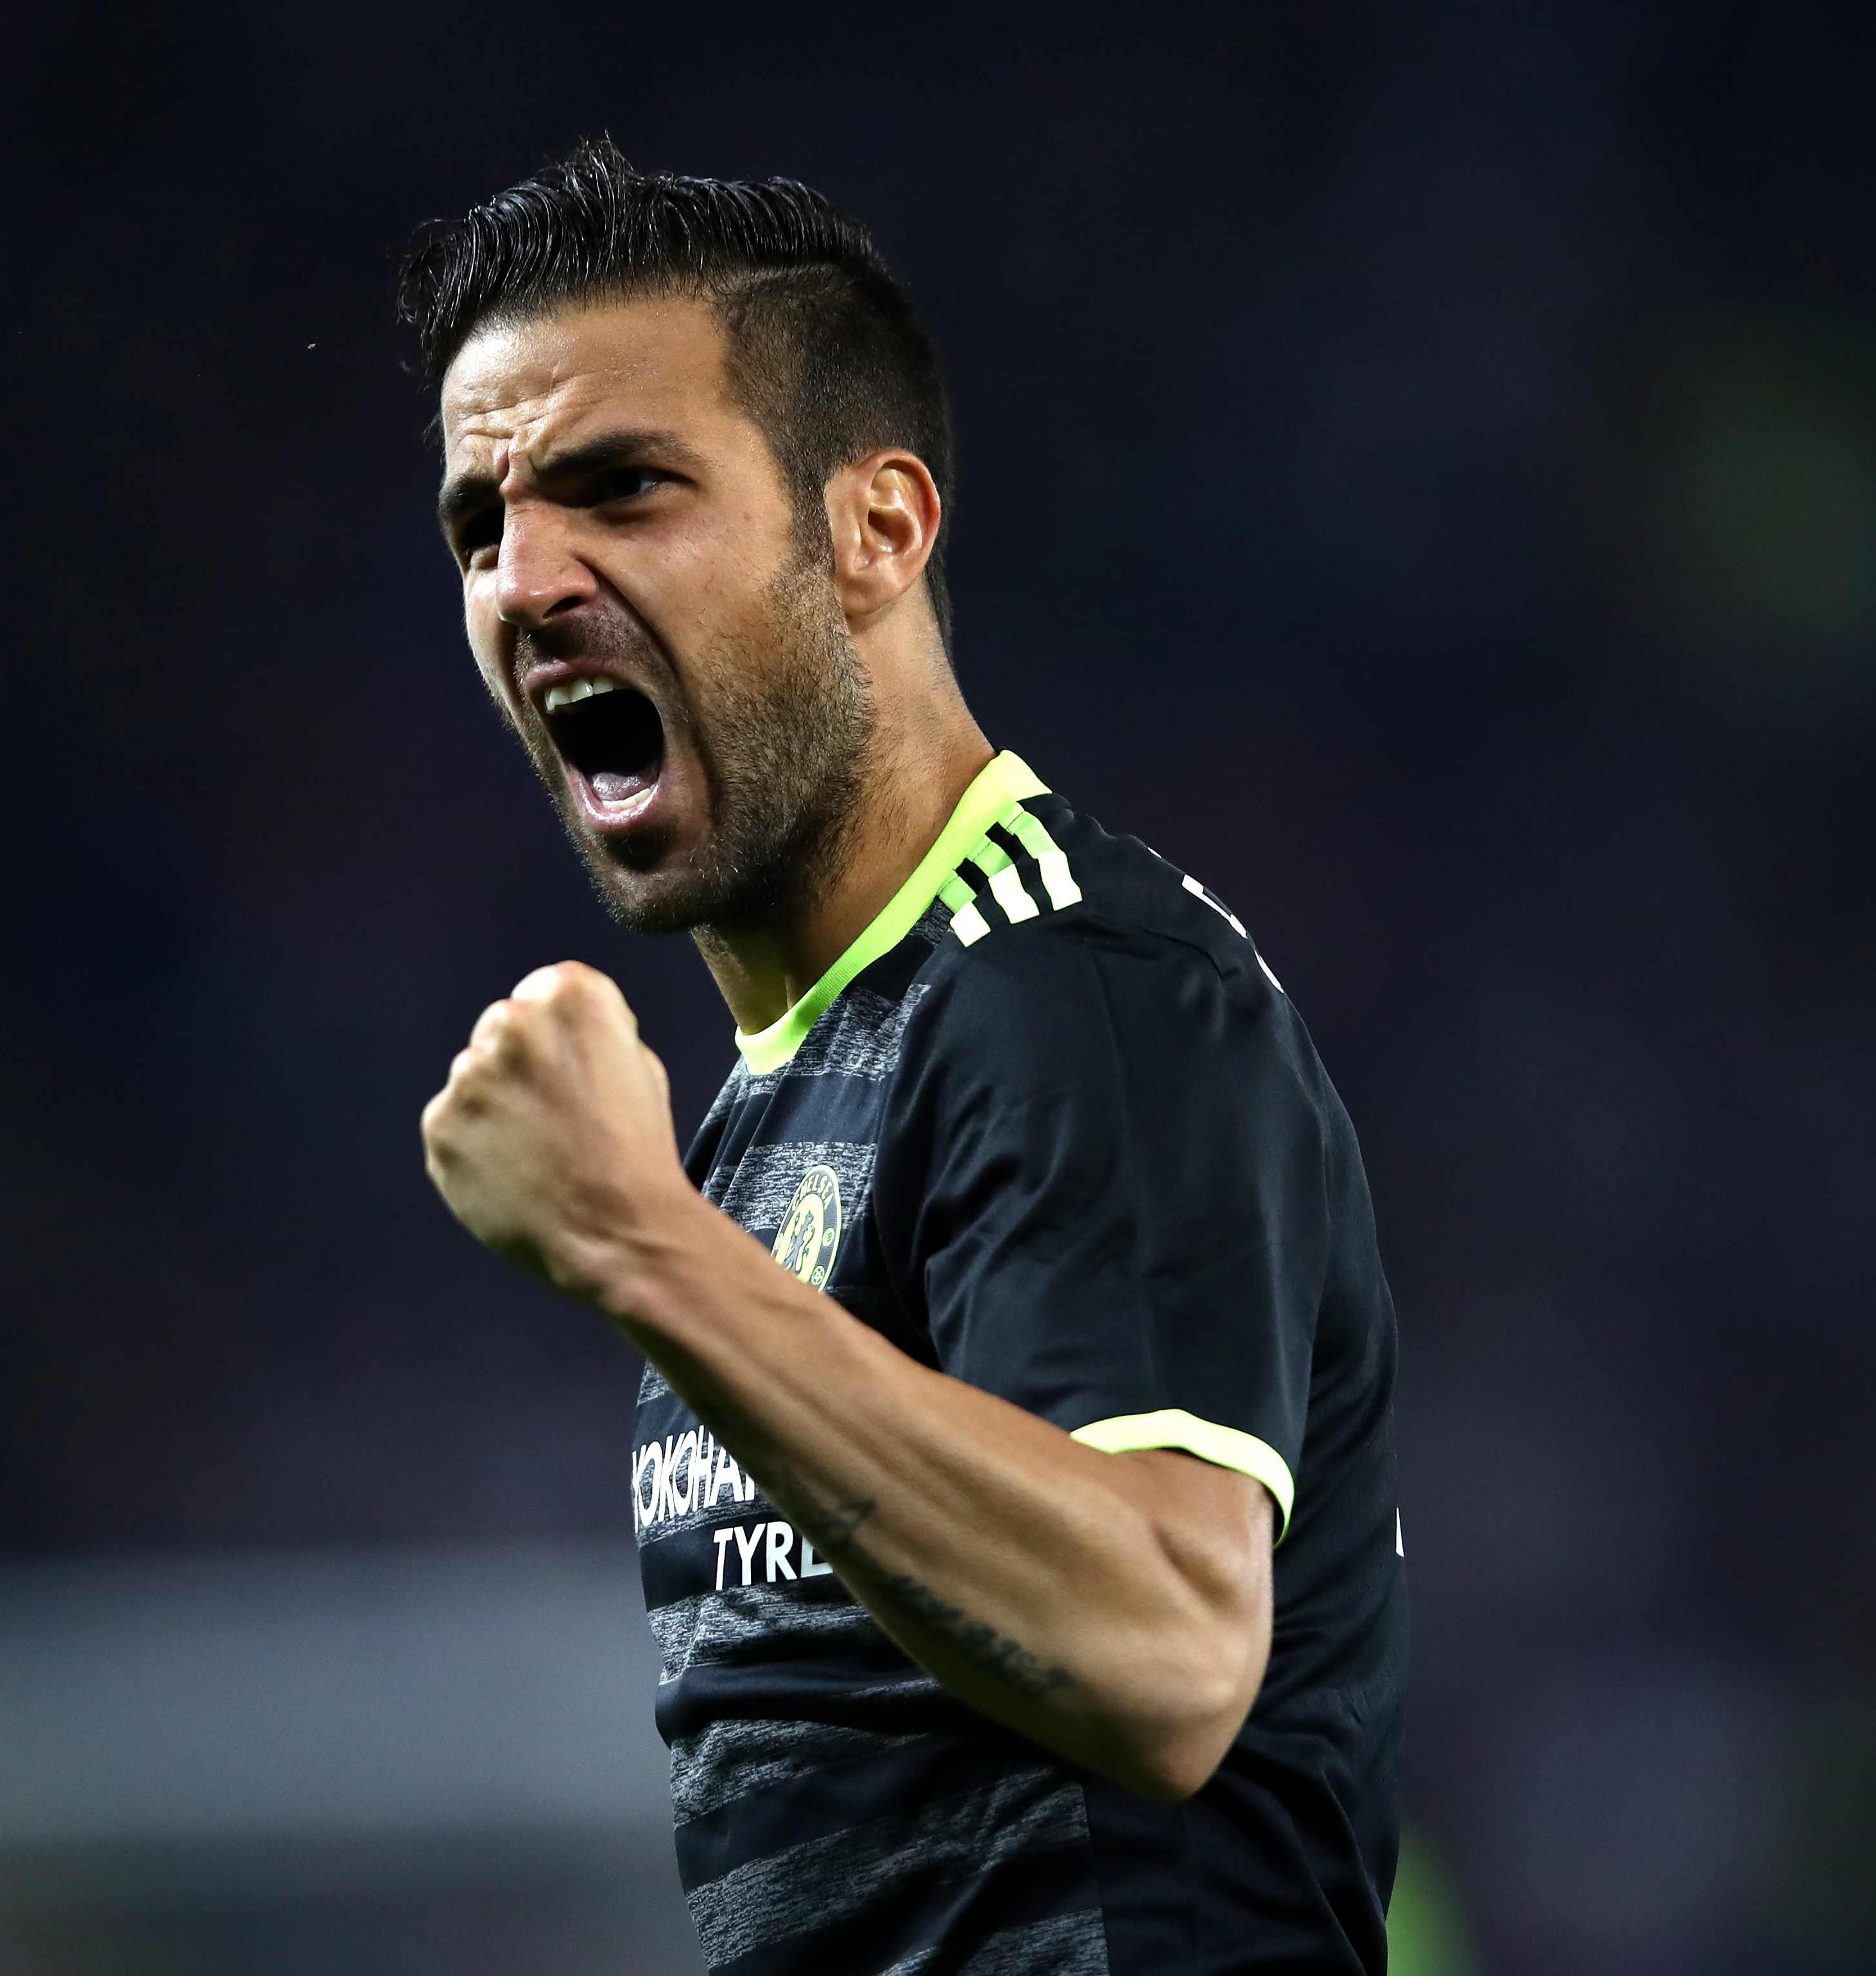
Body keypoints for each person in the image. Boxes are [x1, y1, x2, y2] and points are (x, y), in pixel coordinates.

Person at [409, 140, 1407, 1976]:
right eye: (481, 525)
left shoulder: (1070, 986)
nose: (527, 578)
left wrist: (640, 1247)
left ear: (874, 530)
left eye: (621, 487)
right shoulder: (786, 1095)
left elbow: (1170, 1648)